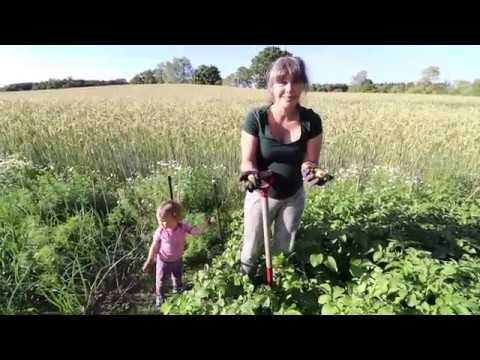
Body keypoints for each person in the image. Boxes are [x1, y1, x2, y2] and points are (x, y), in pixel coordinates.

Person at [239, 56, 329, 277]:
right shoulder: (256, 118)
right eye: (282, 82)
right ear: (271, 86)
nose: (290, 89)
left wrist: (314, 173)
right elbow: (247, 160)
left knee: (283, 248)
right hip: (262, 195)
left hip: (293, 196)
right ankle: (244, 286)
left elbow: (310, 161)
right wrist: (250, 173)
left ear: (303, 85)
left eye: (296, 82)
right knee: (252, 247)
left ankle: (278, 290)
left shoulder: (311, 121)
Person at [142, 200, 211, 309]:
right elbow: (154, 246)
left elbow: (196, 231)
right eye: (160, 221)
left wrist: (207, 224)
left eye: (165, 221)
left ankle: (177, 288)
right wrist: (149, 260)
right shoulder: (160, 231)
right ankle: (160, 296)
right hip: (163, 261)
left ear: (176, 217)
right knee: (160, 280)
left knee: (177, 275)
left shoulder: (182, 227)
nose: (162, 224)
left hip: (178, 259)